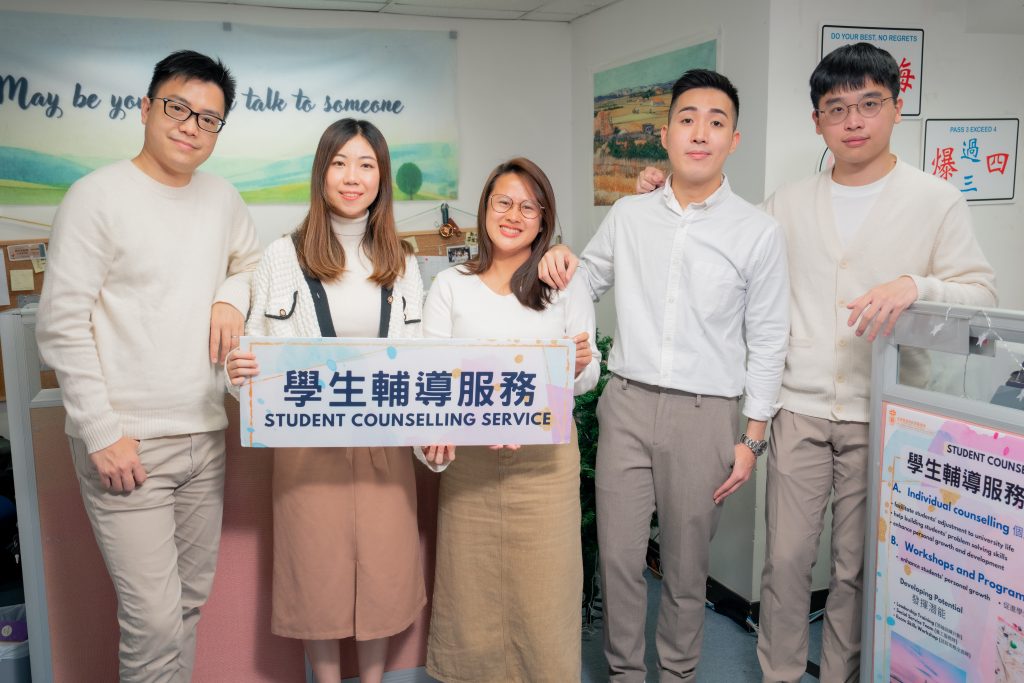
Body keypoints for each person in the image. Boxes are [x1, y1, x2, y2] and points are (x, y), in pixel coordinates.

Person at [601, 43, 997, 683]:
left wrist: (916, 287)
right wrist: (660, 189)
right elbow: (714, 237)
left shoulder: (935, 200)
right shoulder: (786, 203)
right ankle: (780, 675)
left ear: (897, 108)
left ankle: (838, 673)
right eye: (836, 108)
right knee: (785, 563)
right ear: (817, 121)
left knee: (854, 567)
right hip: (799, 408)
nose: (853, 121)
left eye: (870, 104)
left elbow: (982, 296)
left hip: (883, 411)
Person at [551, 67, 789, 682]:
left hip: (705, 416)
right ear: (665, 135)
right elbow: (585, 281)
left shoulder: (758, 232)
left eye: (716, 122)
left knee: (685, 569)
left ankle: (678, 674)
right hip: (627, 404)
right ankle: (625, 673)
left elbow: (769, 339)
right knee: (619, 559)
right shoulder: (629, 215)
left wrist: (753, 437)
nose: (700, 133)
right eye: (687, 120)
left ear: (734, 139)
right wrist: (558, 260)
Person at [35, 51, 261, 682]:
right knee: (153, 621)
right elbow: (61, 324)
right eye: (177, 108)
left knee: (187, 606)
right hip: (127, 445)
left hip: (204, 435)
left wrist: (229, 296)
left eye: (209, 119)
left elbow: (252, 266)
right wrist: (101, 432)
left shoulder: (223, 199)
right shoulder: (96, 197)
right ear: (145, 108)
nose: (191, 126)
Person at [226, 118, 451, 683]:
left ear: (381, 177)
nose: (353, 177)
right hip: (307, 452)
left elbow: (418, 361)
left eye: (366, 165)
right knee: (316, 580)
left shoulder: (403, 262)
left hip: (384, 448)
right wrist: (238, 374)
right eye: (340, 163)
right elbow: (254, 357)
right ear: (321, 173)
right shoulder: (282, 256)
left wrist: (431, 437)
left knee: (382, 577)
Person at [421, 157, 600, 682]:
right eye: (504, 202)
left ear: (543, 220)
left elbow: (587, 375)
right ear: (484, 209)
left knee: (545, 601)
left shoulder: (563, 283)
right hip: (470, 469)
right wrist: (437, 439)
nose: (514, 215)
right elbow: (430, 376)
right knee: (469, 600)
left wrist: (578, 366)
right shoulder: (450, 284)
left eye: (529, 207)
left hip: (546, 466)